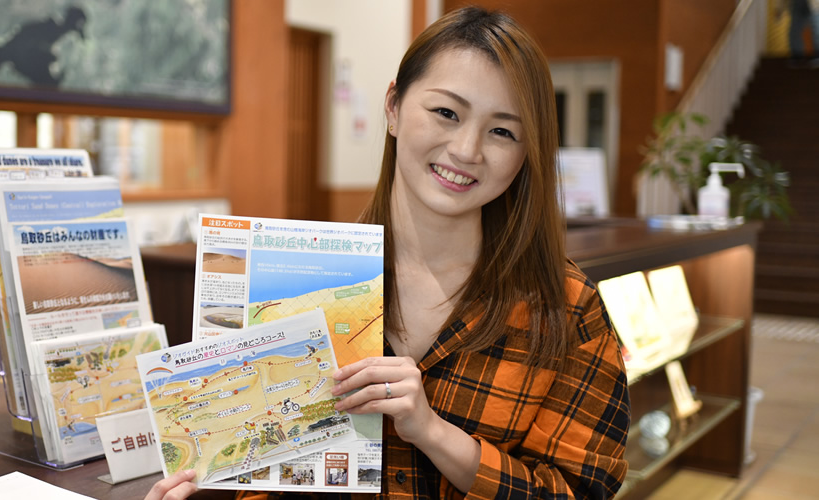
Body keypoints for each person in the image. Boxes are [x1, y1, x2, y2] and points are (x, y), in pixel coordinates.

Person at [146, 6, 629, 500]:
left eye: (502, 131)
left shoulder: (568, 308)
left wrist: (433, 432)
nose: (467, 149)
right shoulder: (298, 280)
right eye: (446, 113)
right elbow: (262, 473)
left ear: (527, 153)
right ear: (394, 107)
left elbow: (581, 491)